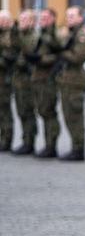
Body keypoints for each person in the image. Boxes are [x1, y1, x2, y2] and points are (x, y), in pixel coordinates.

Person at [56, 6, 85, 161]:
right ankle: (75, 146)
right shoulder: (70, 34)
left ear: (80, 18)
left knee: (75, 116)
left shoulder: (81, 36)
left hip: (75, 81)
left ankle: (78, 149)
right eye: (68, 16)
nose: (69, 18)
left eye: (72, 16)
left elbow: (78, 57)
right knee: (68, 115)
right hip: (66, 80)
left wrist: (60, 50)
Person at [28, 9, 61, 158]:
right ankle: (47, 144)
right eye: (41, 17)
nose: (42, 20)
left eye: (46, 18)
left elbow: (57, 56)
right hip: (38, 78)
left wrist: (41, 59)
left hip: (48, 79)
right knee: (42, 111)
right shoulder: (41, 34)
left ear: (53, 19)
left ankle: (51, 145)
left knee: (48, 112)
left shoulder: (55, 36)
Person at [11, 10, 39, 154]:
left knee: (28, 111)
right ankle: (25, 140)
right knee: (21, 111)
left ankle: (29, 141)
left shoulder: (33, 36)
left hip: (28, 79)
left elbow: (28, 52)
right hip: (19, 79)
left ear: (32, 22)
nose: (21, 22)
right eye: (20, 19)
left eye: (25, 20)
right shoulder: (20, 36)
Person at [0, 10, 14, 151]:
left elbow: (8, 57)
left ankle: (6, 139)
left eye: (3, 20)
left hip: (5, 78)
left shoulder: (10, 36)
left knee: (5, 110)